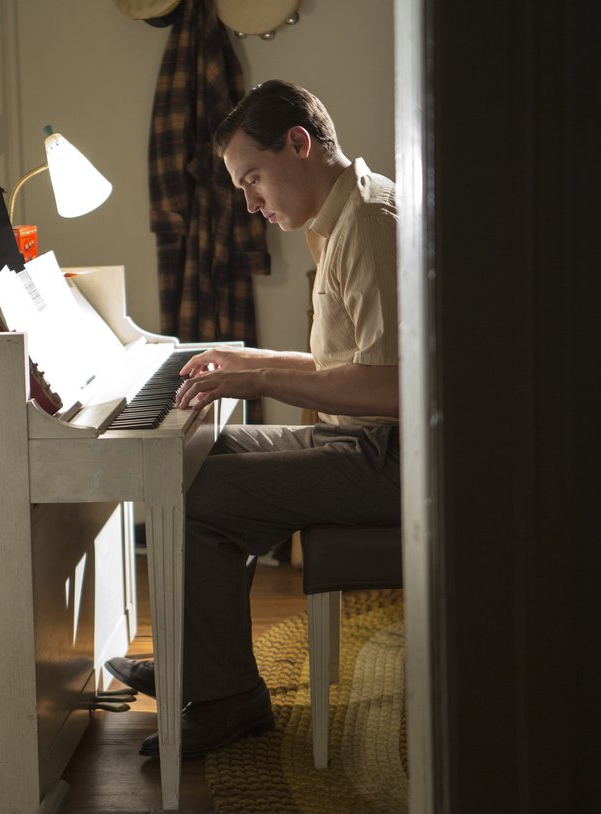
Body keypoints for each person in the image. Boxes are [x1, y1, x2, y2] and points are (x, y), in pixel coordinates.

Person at [106, 79, 401, 757]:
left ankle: (226, 696)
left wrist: (259, 375)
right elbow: (347, 362)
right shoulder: (340, 216)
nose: (249, 203)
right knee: (202, 456)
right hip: (363, 442)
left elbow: (390, 388)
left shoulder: (371, 224)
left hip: (393, 458)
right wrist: (244, 361)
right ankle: (203, 663)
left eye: (253, 179)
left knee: (201, 498)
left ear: (298, 145)